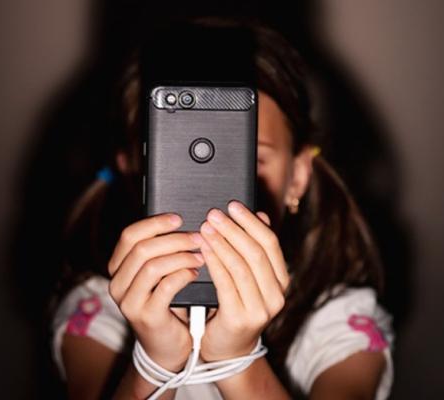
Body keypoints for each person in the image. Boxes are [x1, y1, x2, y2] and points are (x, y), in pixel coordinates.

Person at [48, 20, 393, 400]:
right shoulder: (101, 309)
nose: (212, 191)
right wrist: (154, 362)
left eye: (250, 161)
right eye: (175, 159)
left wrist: (238, 360)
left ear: (297, 177)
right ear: (135, 174)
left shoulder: (337, 320)